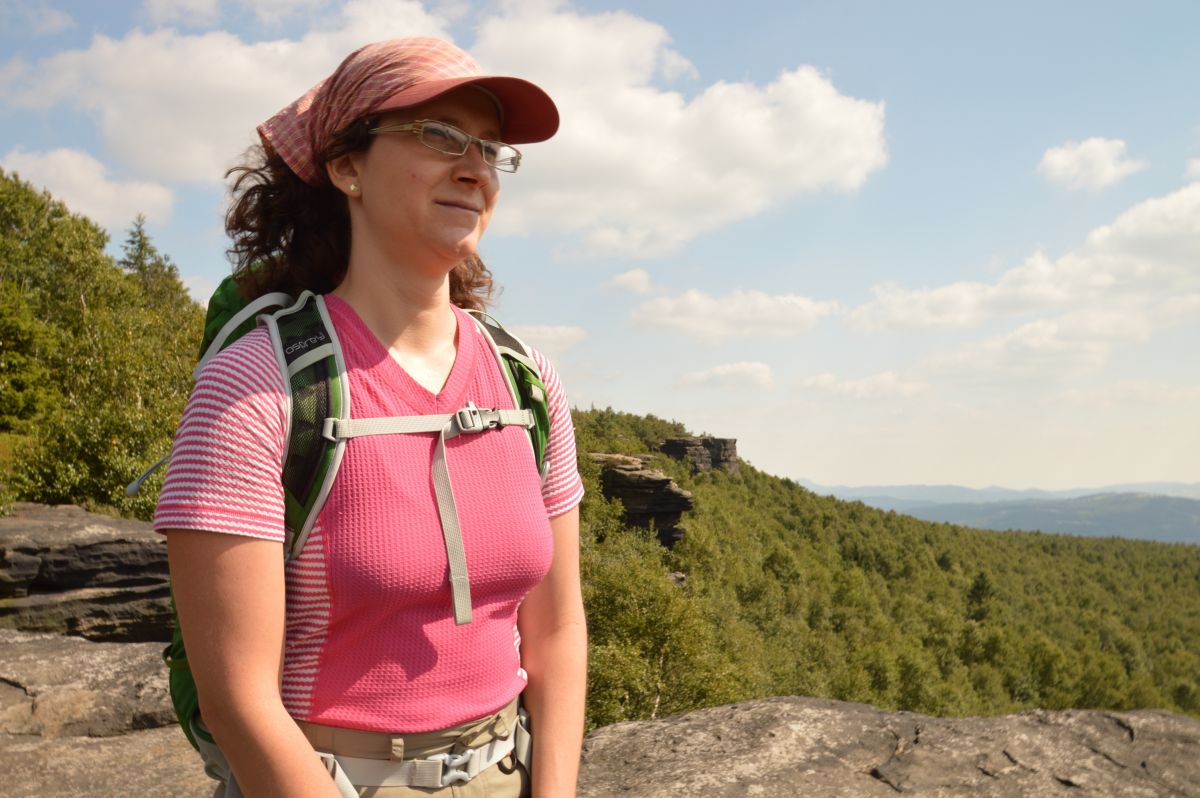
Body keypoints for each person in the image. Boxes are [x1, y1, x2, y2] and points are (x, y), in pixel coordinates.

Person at [154, 37, 587, 798]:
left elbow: (554, 633)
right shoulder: (256, 387)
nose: (475, 167)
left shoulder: (527, 382)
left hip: (503, 773)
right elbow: (237, 700)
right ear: (347, 167)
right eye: (438, 135)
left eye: (489, 149)